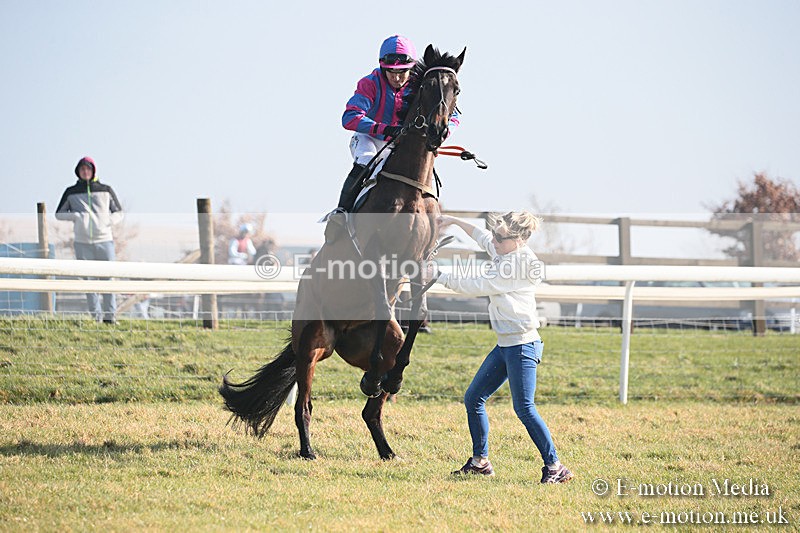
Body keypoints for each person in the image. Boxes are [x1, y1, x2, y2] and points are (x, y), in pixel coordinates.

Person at [430, 212, 574, 483]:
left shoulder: (521, 264)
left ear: (519, 240)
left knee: (524, 408)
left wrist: (438, 274)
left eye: (500, 237)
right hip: (505, 344)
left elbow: (478, 285)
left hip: (522, 346)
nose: (493, 240)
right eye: (495, 234)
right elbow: (482, 237)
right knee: (474, 398)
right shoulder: (504, 249)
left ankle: (555, 467)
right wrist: (452, 220)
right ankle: (480, 462)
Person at [326, 35, 460, 242]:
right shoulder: (369, 83)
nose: (397, 78)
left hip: (399, 142)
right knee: (366, 160)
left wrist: (443, 133)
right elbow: (349, 117)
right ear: (382, 67)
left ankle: (431, 228)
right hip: (369, 137)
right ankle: (341, 212)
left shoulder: (421, 84)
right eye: (391, 72)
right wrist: (384, 128)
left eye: (403, 72)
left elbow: (454, 115)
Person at [55, 156, 124, 324]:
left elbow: (119, 212)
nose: (85, 172)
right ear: (78, 172)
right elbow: (59, 213)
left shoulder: (106, 189)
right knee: (88, 281)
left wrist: (108, 221)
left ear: (93, 171)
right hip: (82, 242)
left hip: (105, 241)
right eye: (82, 169)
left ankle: (110, 317)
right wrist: (77, 216)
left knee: (108, 278)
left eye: (88, 169)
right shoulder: (71, 192)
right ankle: (96, 318)